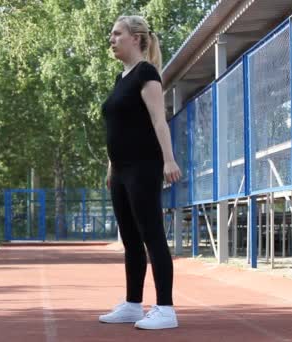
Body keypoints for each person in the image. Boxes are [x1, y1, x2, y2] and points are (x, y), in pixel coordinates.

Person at [99, 15, 182, 330]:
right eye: (112, 34)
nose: (112, 38)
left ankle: (166, 309)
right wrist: (111, 166)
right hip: (120, 171)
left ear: (136, 38)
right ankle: (133, 304)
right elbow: (119, 126)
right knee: (131, 240)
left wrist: (168, 160)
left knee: (152, 236)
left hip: (143, 167)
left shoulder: (146, 74)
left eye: (117, 33)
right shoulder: (122, 78)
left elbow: (159, 120)